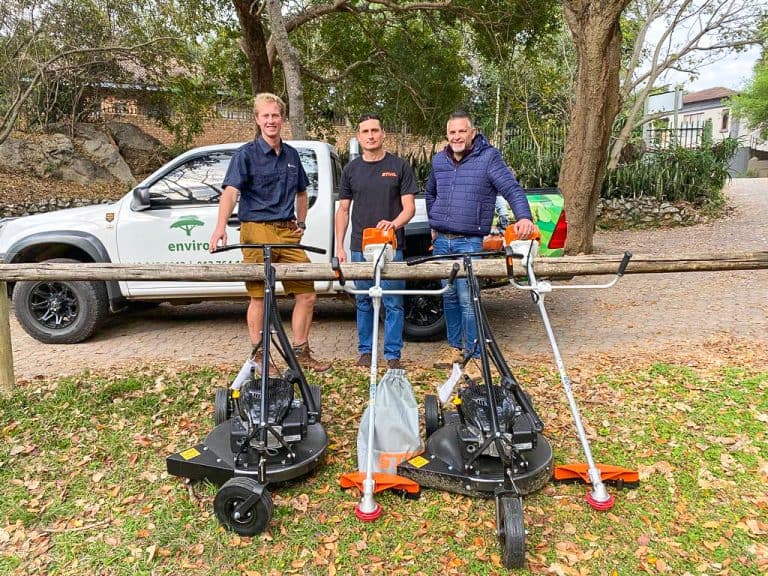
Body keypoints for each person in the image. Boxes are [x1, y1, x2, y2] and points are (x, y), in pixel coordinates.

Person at [209, 92, 330, 372]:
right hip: (256, 230)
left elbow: (302, 192)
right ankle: (260, 357)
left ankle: (301, 352)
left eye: (275, 115)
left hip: (286, 232)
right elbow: (230, 192)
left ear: (282, 118)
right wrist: (220, 227)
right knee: (260, 296)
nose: (271, 120)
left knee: (307, 294)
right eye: (265, 115)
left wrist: (301, 221)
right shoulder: (246, 155)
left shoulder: (291, 155)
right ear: (257, 119)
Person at [425, 110, 535, 374]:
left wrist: (524, 217)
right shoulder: (439, 160)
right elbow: (430, 192)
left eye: (462, 131)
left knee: (467, 298)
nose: (457, 137)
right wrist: (433, 222)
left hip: (469, 242)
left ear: (472, 133)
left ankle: (474, 354)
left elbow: (511, 189)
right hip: (442, 242)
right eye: (452, 132)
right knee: (448, 296)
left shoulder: (488, 159)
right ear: (447, 135)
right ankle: (455, 349)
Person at [335, 113, 417, 369]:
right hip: (360, 246)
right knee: (363, 300)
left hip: (391, 247)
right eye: (365, 132)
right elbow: (343, 210)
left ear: (382, 134)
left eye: (374, 130)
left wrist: (394, 224)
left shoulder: (400, 166)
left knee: (393, 302)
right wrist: (339, 246)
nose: (370, 136)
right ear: (359, 137)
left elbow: (409, 208)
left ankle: (393, 356)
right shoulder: (351, 170)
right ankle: (365, 352)